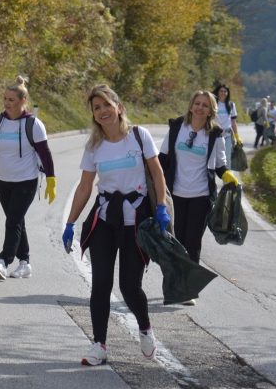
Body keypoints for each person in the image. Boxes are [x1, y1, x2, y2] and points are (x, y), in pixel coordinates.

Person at [61, 84, 168, 366]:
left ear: (118, 107)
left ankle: (145, 328)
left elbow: (157, 174)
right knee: (101, 284)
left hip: (135, 222)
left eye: (106, 105)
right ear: (94, 115)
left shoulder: (139, 136)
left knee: (130, 285)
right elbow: (85, 187)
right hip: (106, 219)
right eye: (97, 108)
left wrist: (161, 209)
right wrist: (70, 222)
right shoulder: (94, 146)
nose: (102, 111)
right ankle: (99, 344)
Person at [0, 76, 56, 280]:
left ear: (23, 101)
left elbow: (45, 153)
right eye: (5, 99)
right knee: (15, 221)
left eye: (11, 100)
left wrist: (51, 180)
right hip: (3, 181)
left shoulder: (34, 125)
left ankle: (4, 261)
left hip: (26, 181)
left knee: (13, 220)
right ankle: (24, 262)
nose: (7, 103)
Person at [158, 90, 240, 305]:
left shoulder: (215, 133)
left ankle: (187, 289)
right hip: (174, 195)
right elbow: (162, 158)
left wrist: (228, 175)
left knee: (192, 242)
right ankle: (175, 281)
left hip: (201, 196)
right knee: (175, 241)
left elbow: (221, 165)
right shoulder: (177, 127)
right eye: (197, 103)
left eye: (205, 105)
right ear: (191, 106)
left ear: (211, 110)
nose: (200, 108)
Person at [212, 83, 240, 162]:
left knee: (227, 159)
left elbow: (233, 122)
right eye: (221, 91)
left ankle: (227, 173)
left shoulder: (231, 105)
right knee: (214, 159)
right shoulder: (213, 104)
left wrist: (237, 136)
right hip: (215, 135)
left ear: (227, 93)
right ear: (217, 92)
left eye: (225, 91)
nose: (223, 93)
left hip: (227, 135)